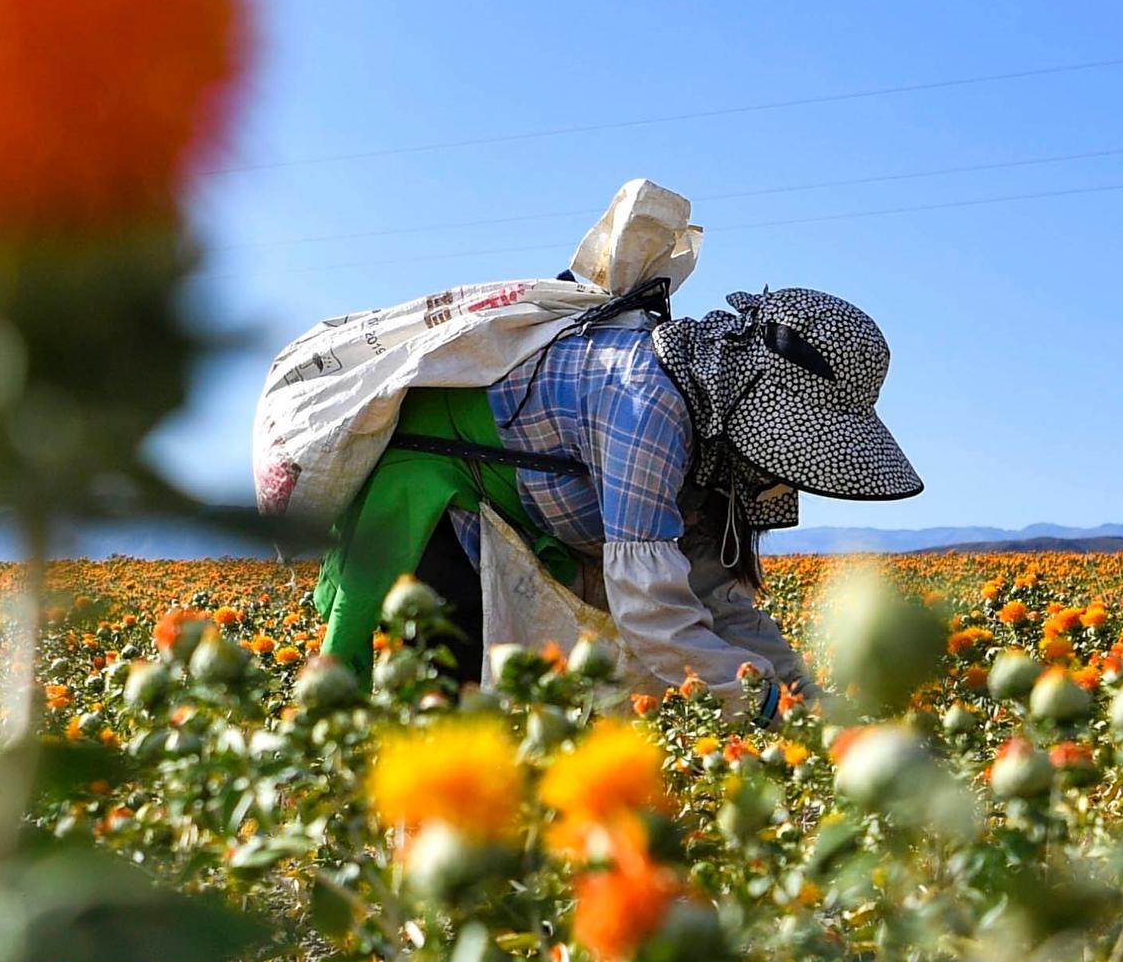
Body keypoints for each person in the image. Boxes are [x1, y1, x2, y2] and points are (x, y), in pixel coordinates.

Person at [316, 286, 921, 699]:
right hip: (430, 497)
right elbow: (648, 608)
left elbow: (719, 596)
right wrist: (758, 704)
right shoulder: (648, 401)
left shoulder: (714, 439)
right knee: (444, 687)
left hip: (515, 513)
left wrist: (798, 698)